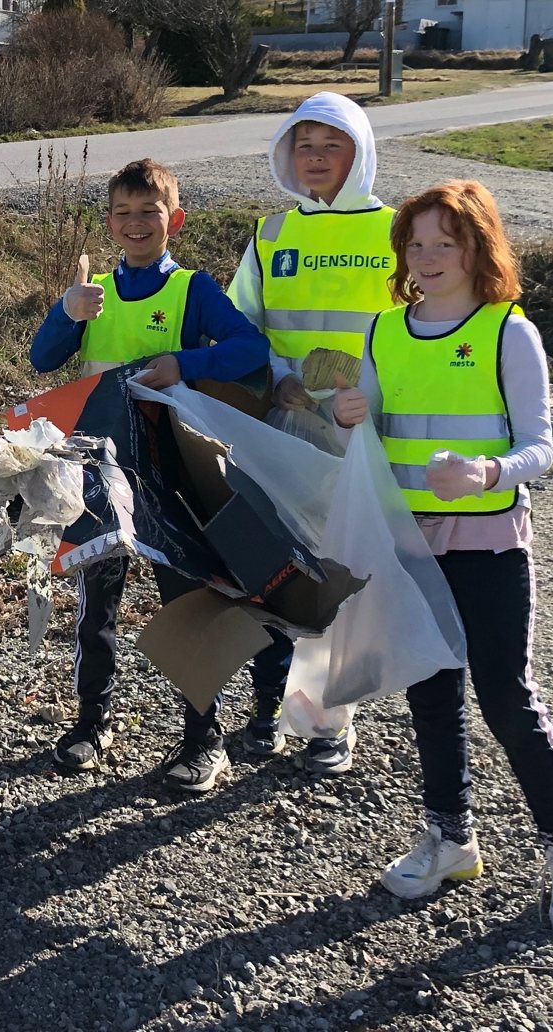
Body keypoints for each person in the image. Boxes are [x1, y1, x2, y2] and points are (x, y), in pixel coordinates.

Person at [326, 180, 553, 938]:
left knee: (507, 697)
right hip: (409, 540)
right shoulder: (382, 331)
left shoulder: (508, 332)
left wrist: (489, 473)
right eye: (415, 243)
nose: (426, 257)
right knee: (430, 690)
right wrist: (351, 413)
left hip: (487, 542)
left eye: (444, 243)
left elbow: (541, 447)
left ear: (478, 247)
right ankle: (450, 838)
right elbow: (371, 431)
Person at [28, 158, 271, 794]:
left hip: (172, 475)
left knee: (185, 604)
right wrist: (65, 310)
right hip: (100, 471)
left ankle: (204, 739)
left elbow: (251, 351)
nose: (135, 224)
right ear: (109, 222)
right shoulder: (94, 294)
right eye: (123, 213)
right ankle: (91, 724)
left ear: (175, 221)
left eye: (149, 213)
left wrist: (182, 364)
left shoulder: (193, 290)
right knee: (96, 604)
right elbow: (41, 358)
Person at [226, 91, 399, 776]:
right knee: (272, 571)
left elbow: (416, 328)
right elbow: (242, 327)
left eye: (332, 145)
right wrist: (275, 379)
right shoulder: (272, 235)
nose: (317, 159)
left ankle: (330, 722)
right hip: (284, 429)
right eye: (305, 145)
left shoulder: (396, 232)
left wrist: (373, 401)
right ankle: (268, 706)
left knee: (339, 576)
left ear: (359, 152)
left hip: (361, 439)